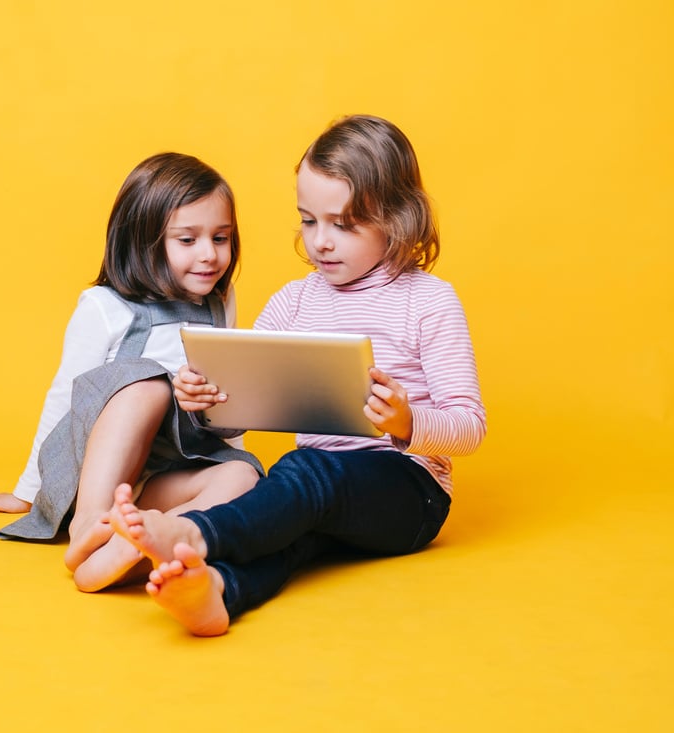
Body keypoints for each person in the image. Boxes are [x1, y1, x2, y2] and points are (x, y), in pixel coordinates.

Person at [108, 115, 487, 636]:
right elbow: (238, 413)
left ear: (398, 219)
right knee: (292, 531)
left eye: (344, 224)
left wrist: (406, 422)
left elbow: (470, 426)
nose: (322, 242)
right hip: (319, 491)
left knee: (304, 470)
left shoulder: (428, 301)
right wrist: (204, 402)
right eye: (309, 221)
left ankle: (195, 534)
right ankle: (216, 593)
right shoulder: (294, 302)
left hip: (411, 495)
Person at [0, 152, 263, 592]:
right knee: (147, 385)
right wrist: (30, 492)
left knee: (246, 476)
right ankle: (90, 524)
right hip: (102, 480)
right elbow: (65, 399)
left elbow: (223, 391)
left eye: (221, 238)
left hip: (161, 480)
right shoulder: (105, 308)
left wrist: (229, 441)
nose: (209, 255)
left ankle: (144, 543)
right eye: (188, 240)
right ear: (143, 241)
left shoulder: (221, 302)